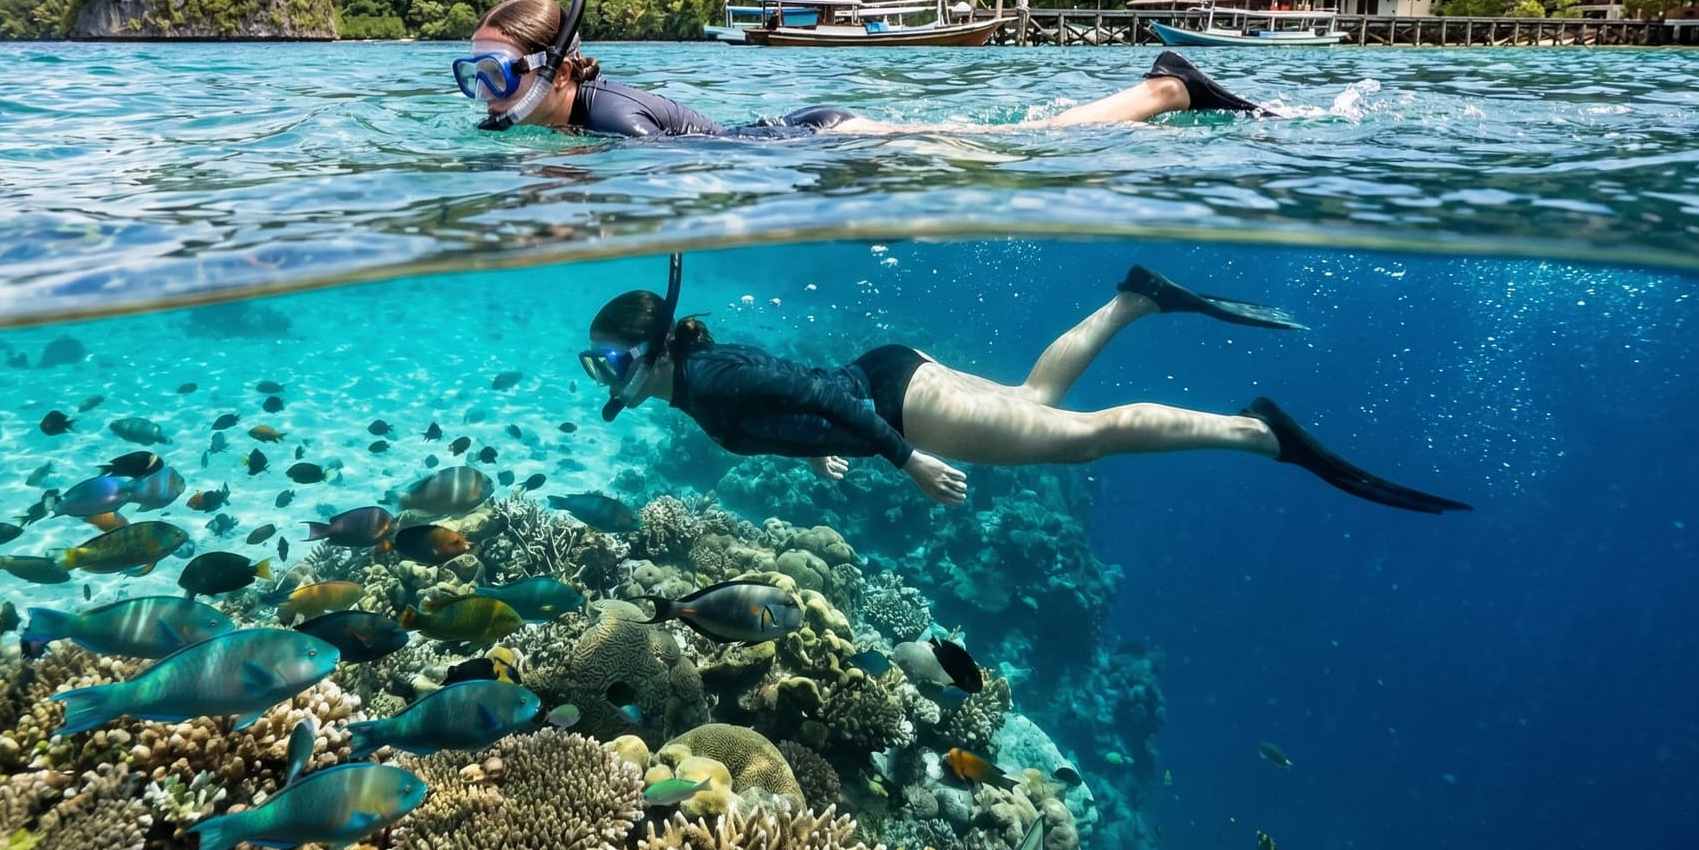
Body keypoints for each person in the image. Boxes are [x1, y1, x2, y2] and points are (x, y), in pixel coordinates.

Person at [580, 254, 1471, 515]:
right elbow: (802, 403)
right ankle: (1135, 297)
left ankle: (1258, 431)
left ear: (654, 347)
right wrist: (826, 453)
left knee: (1080, 436)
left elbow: (817, 397)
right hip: (888, 379)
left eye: (613, 361)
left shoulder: (710, 373)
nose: (610, 380)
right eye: (599, 367)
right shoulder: (698, 384)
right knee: (1038, 404)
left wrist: (906, 460)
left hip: (897, 403)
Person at [451, 0, 1264, 138]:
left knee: (1020, 145)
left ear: (551, 68)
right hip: (803, 133)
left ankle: (1167, 87)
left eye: (493, 73)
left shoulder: (612, 121)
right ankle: (1165, 87)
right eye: (472, 76)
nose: (485, 93)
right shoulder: (576, 121)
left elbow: (703, 185)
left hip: (822, 144)